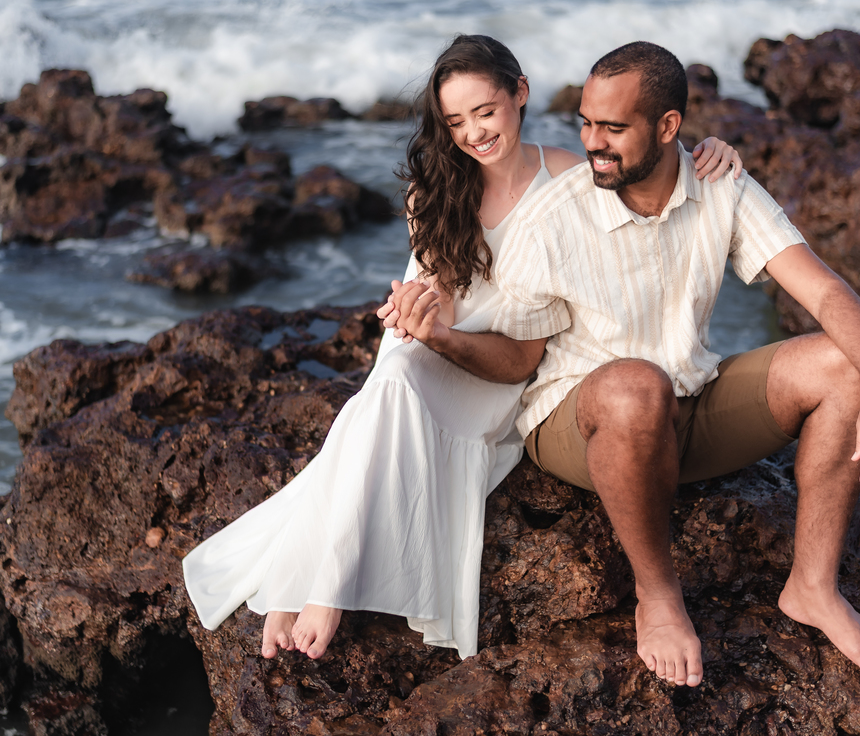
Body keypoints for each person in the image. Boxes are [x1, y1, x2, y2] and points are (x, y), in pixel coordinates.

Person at [183, 34, 743, 661]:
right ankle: (321, 579)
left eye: (485, 111)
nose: (473, 132)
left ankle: (314, 576)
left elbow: (646, 181)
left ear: (519, 95)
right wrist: (416, 311)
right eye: (455, 121)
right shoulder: (437, 188)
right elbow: (438, 293)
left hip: (507, 363)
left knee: (387, 391)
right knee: (392, 374)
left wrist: (704, 151)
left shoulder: (572, 177)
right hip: (442, 342)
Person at [384, 40, 860, 689]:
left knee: (845, 363)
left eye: (613, 127)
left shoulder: (721, 186)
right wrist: (439, 337)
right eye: (584, 122)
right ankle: (658, 592)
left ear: (668, 127)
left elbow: (826, 291)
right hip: (579, 418)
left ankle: (812, 585)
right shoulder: (555, 215)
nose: (592, 142)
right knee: (637, 386)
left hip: (688, 399)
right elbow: (517, 359)